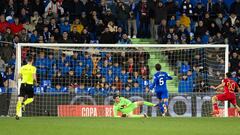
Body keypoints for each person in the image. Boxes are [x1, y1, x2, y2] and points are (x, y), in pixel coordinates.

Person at [15, 56, 37, 120]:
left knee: (20, 99)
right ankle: (24, 104)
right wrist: (36, 82)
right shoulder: (33, 68)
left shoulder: (22, 67)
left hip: (22, 84)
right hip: (29, 85)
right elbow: (34, 77)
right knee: (31, 99)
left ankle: (17, 114)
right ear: (32, 61)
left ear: (27, 61)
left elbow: (19, 77)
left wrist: (17, 79)